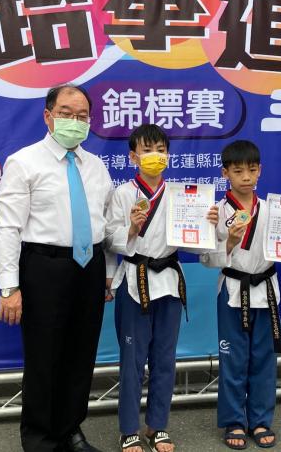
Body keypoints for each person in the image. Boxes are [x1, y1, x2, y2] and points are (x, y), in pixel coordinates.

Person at [0, 85, 114, 452]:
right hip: (44, 268)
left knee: (81, 354)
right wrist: (9, 288)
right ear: (48, 116)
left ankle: (70, 429)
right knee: (44, 356)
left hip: (90, 267)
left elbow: (106, 224)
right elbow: (7, 227)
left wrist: (108, 273)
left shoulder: (96, 166)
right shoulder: (24, 162)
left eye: (82, 116)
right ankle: (40, 439)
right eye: (66, 113)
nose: (74, 121)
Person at [104, 124, 218, 452]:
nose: (155, 156)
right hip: (134, 281)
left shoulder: (182, 196)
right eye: (147, 150)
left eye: (161, 150)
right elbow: (108, 240)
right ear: (133, 157)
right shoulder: (122, 193)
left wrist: (207, 226)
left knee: (165, 359)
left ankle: (157, 426)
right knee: (132, 361)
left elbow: (196, 246)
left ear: (168, 155)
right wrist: (130, 229)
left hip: (168, 281)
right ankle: (128, 429)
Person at [200, 140, 281, 450]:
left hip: (266, 290)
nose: (246, 177)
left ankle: (261, 419)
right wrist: (229, 243)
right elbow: (206, 259)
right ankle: (234, 421)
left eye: (251, 170)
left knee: (264, 359)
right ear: (225, 173)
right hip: (232, 290)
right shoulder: (216, 212)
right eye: (238, 171)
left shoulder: (276, 210)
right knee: (233, 359)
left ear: (260, 170)